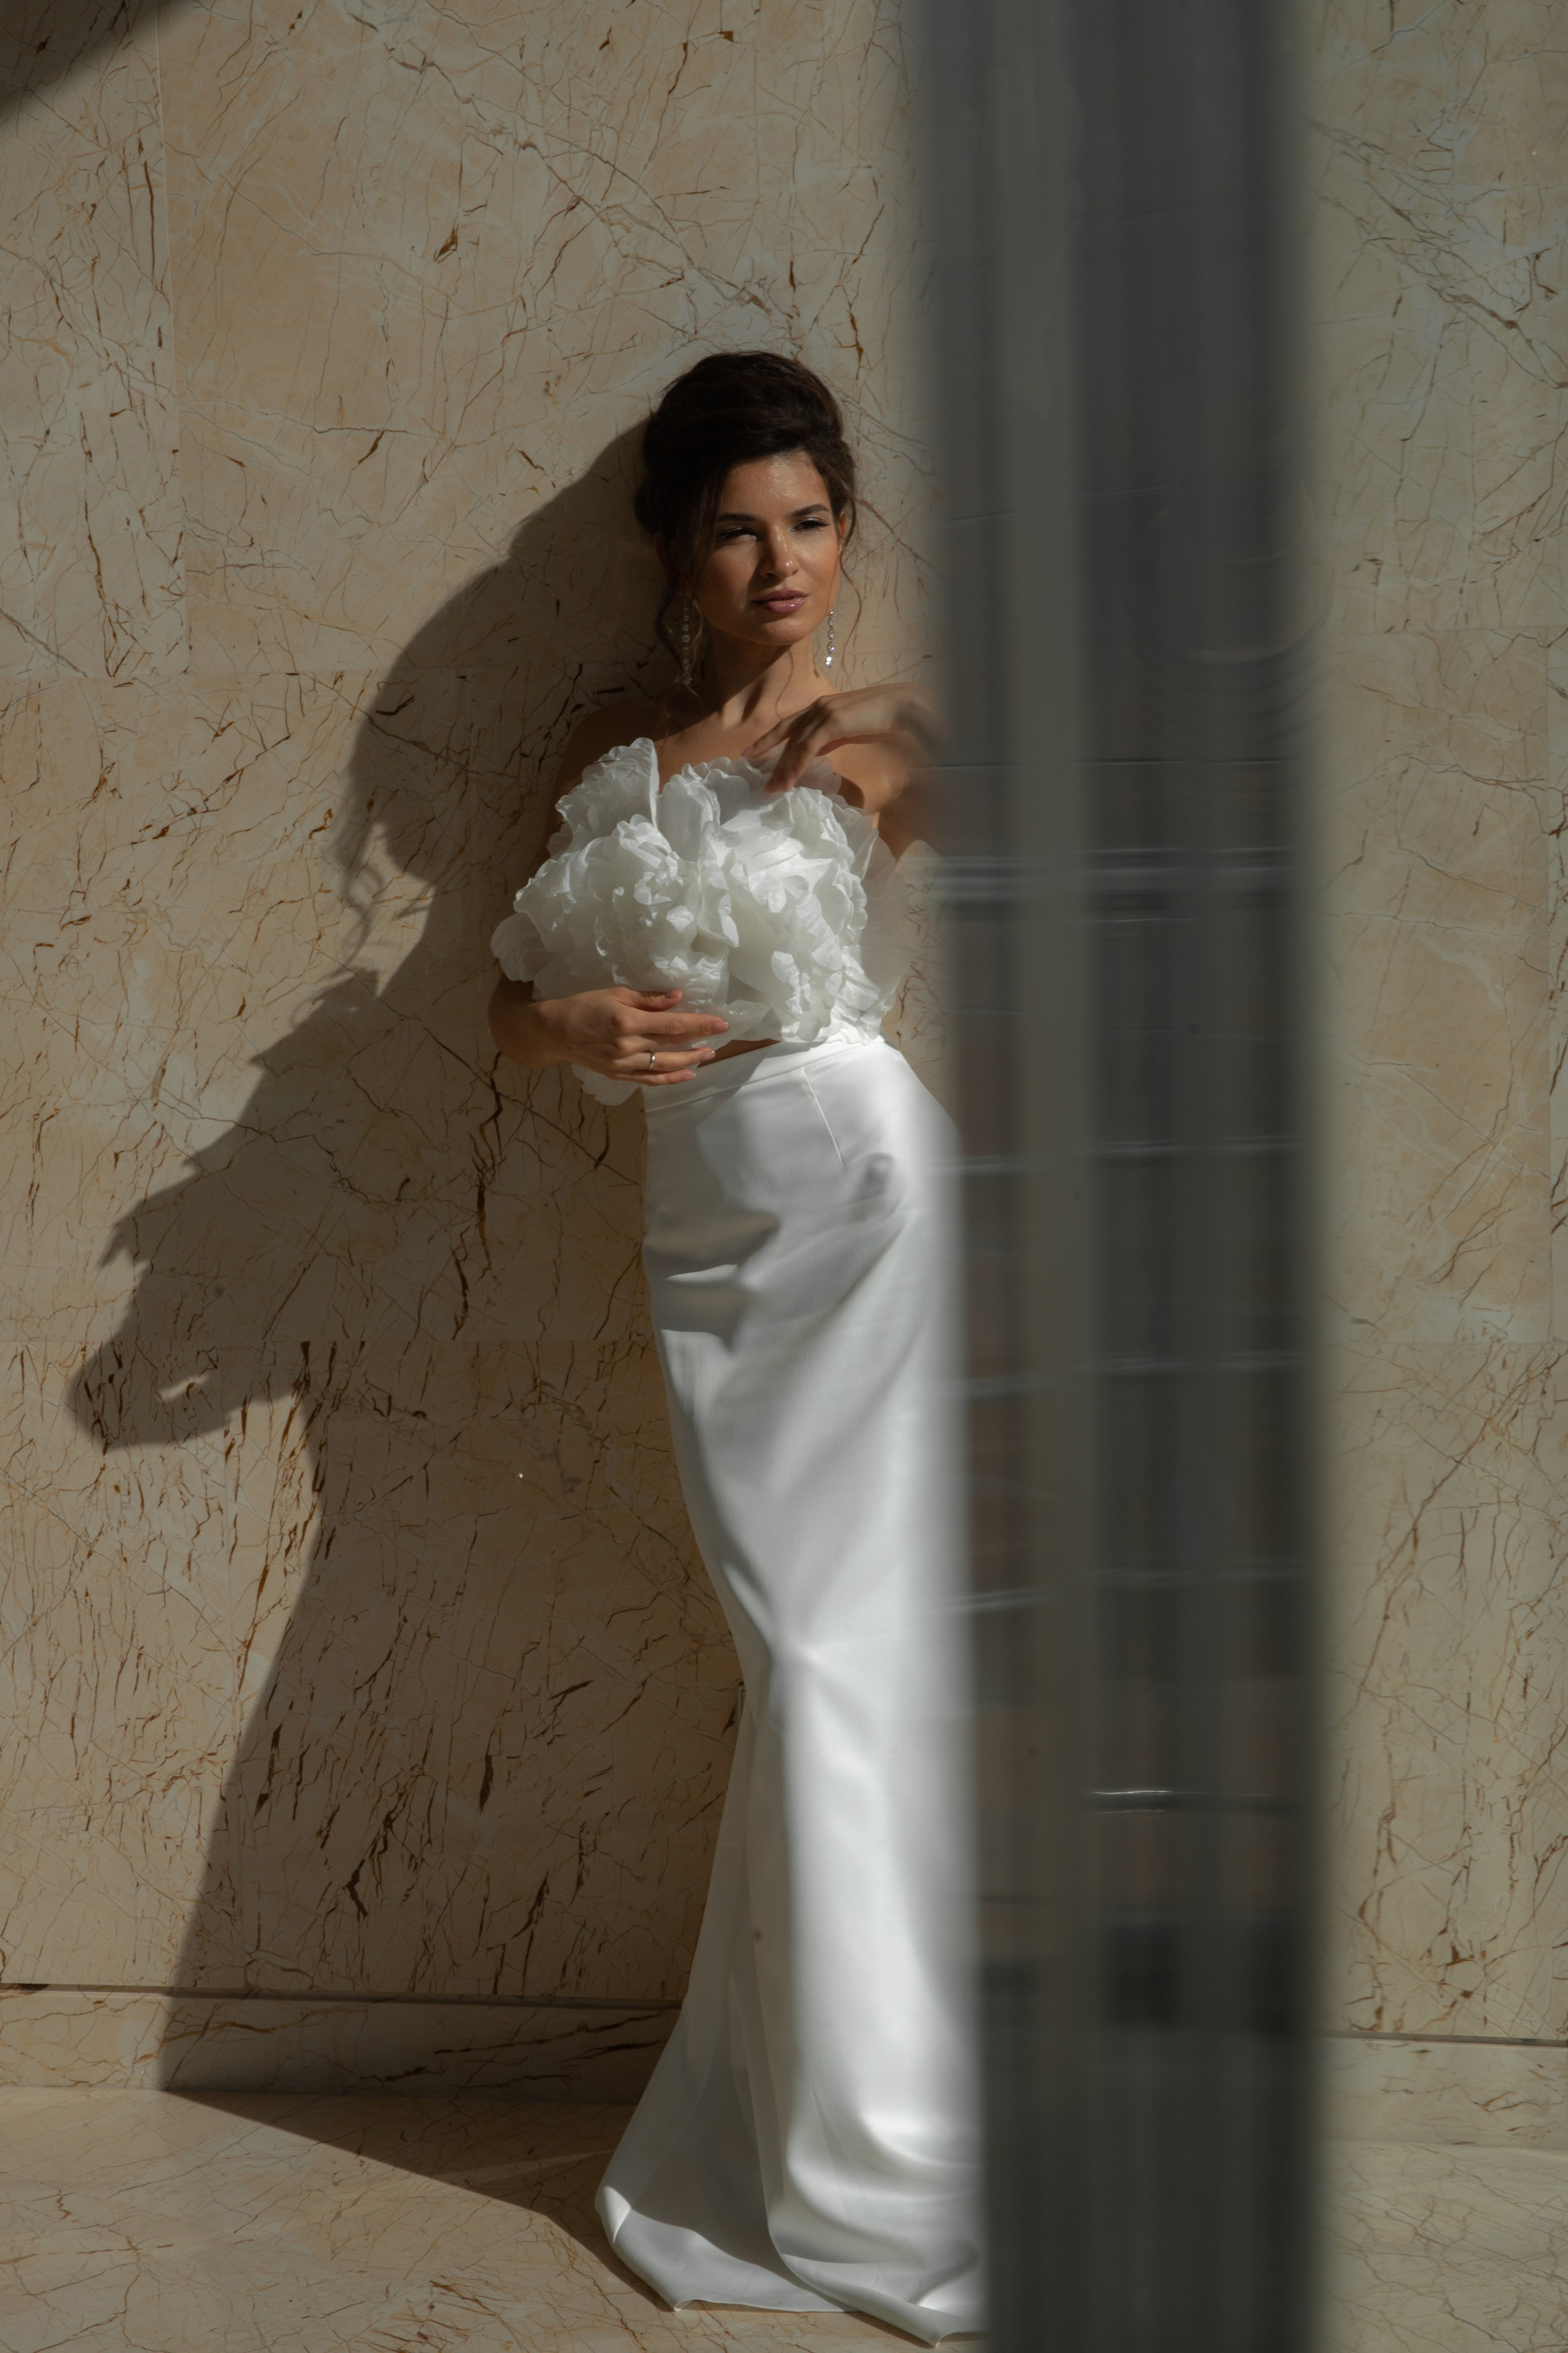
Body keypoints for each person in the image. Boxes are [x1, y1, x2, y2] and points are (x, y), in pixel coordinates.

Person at [487, 351, 982, 2342]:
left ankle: (884, 2148)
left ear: (848, 532)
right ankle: (812, 2106)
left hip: (863, 1197)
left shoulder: (889, 731)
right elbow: (508, 994)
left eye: (813, 521)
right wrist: (571, 1030)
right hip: (702, 1229)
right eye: (737, 528)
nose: (783, 561)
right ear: (676, 551)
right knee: (804, 1659)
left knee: (843, 1659)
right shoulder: (620, 743)